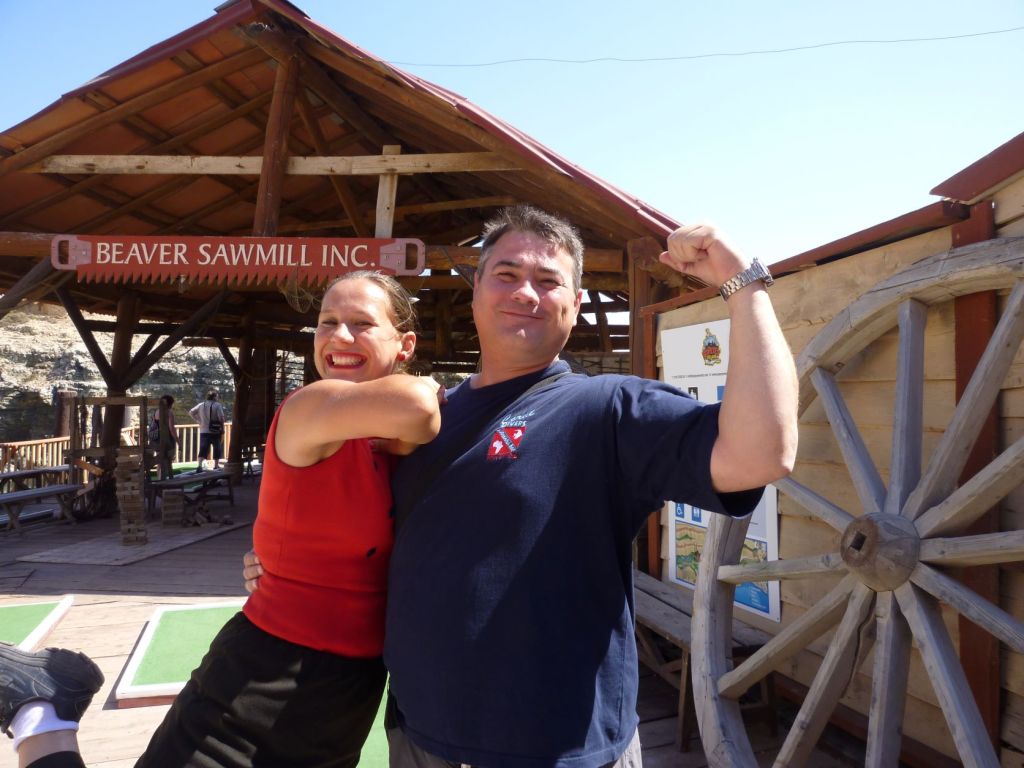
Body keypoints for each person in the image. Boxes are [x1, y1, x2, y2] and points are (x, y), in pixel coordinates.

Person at [249, 205, 800, 767]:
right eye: (507, 274)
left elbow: (761, 454)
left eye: (548, 280)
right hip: (418, 737)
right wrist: (280, 559)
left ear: (576, 305)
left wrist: (743, 284)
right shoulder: (423, 422)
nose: (525, 293)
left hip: (558, 750)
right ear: (476, 293)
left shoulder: (609, 408)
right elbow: (371, 533)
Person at [0, 271, 443, 768]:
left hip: (348, 688)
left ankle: (47, 707)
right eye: (327, 322)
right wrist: (429, 384)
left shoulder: (382, 445)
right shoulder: (309, 405)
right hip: (264, 676)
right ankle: (41, 713)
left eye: (362, 323)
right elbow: (418, 409)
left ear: (404, 344)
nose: (339, 336)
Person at [189, 389, 226, 471]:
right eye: (217, 396)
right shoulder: (217, 405)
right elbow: (221, 418)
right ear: (214, 397)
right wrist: (223, 429)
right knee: (217, 448)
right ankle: (216, 465)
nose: (217, 398)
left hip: (203, 430)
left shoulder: (201, 404)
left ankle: (199, 465)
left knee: (203, 448)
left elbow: (191, 412)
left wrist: (198, 420)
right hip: (215, 431)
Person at [149, 394, 177, 479]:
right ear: (170, 403)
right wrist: (178, 441)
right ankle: (164, 478)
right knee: (168, 459)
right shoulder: (169, 412)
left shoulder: (157, 411)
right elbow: (171, 428)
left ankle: (159, 477)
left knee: (160, 460)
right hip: (166, 440)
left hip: (156, 440)